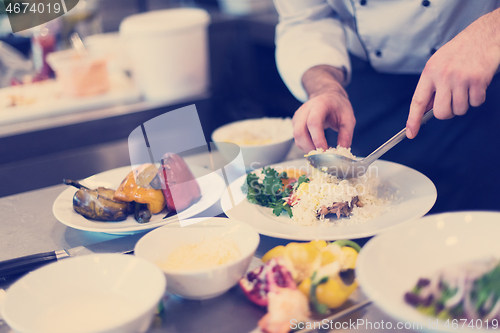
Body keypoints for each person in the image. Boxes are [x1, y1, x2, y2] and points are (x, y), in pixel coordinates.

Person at [274, 0, 500, 213]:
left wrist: (489, 32)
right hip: (369, 87)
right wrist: (325, 87)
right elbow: (306, 20)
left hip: (482, 75)